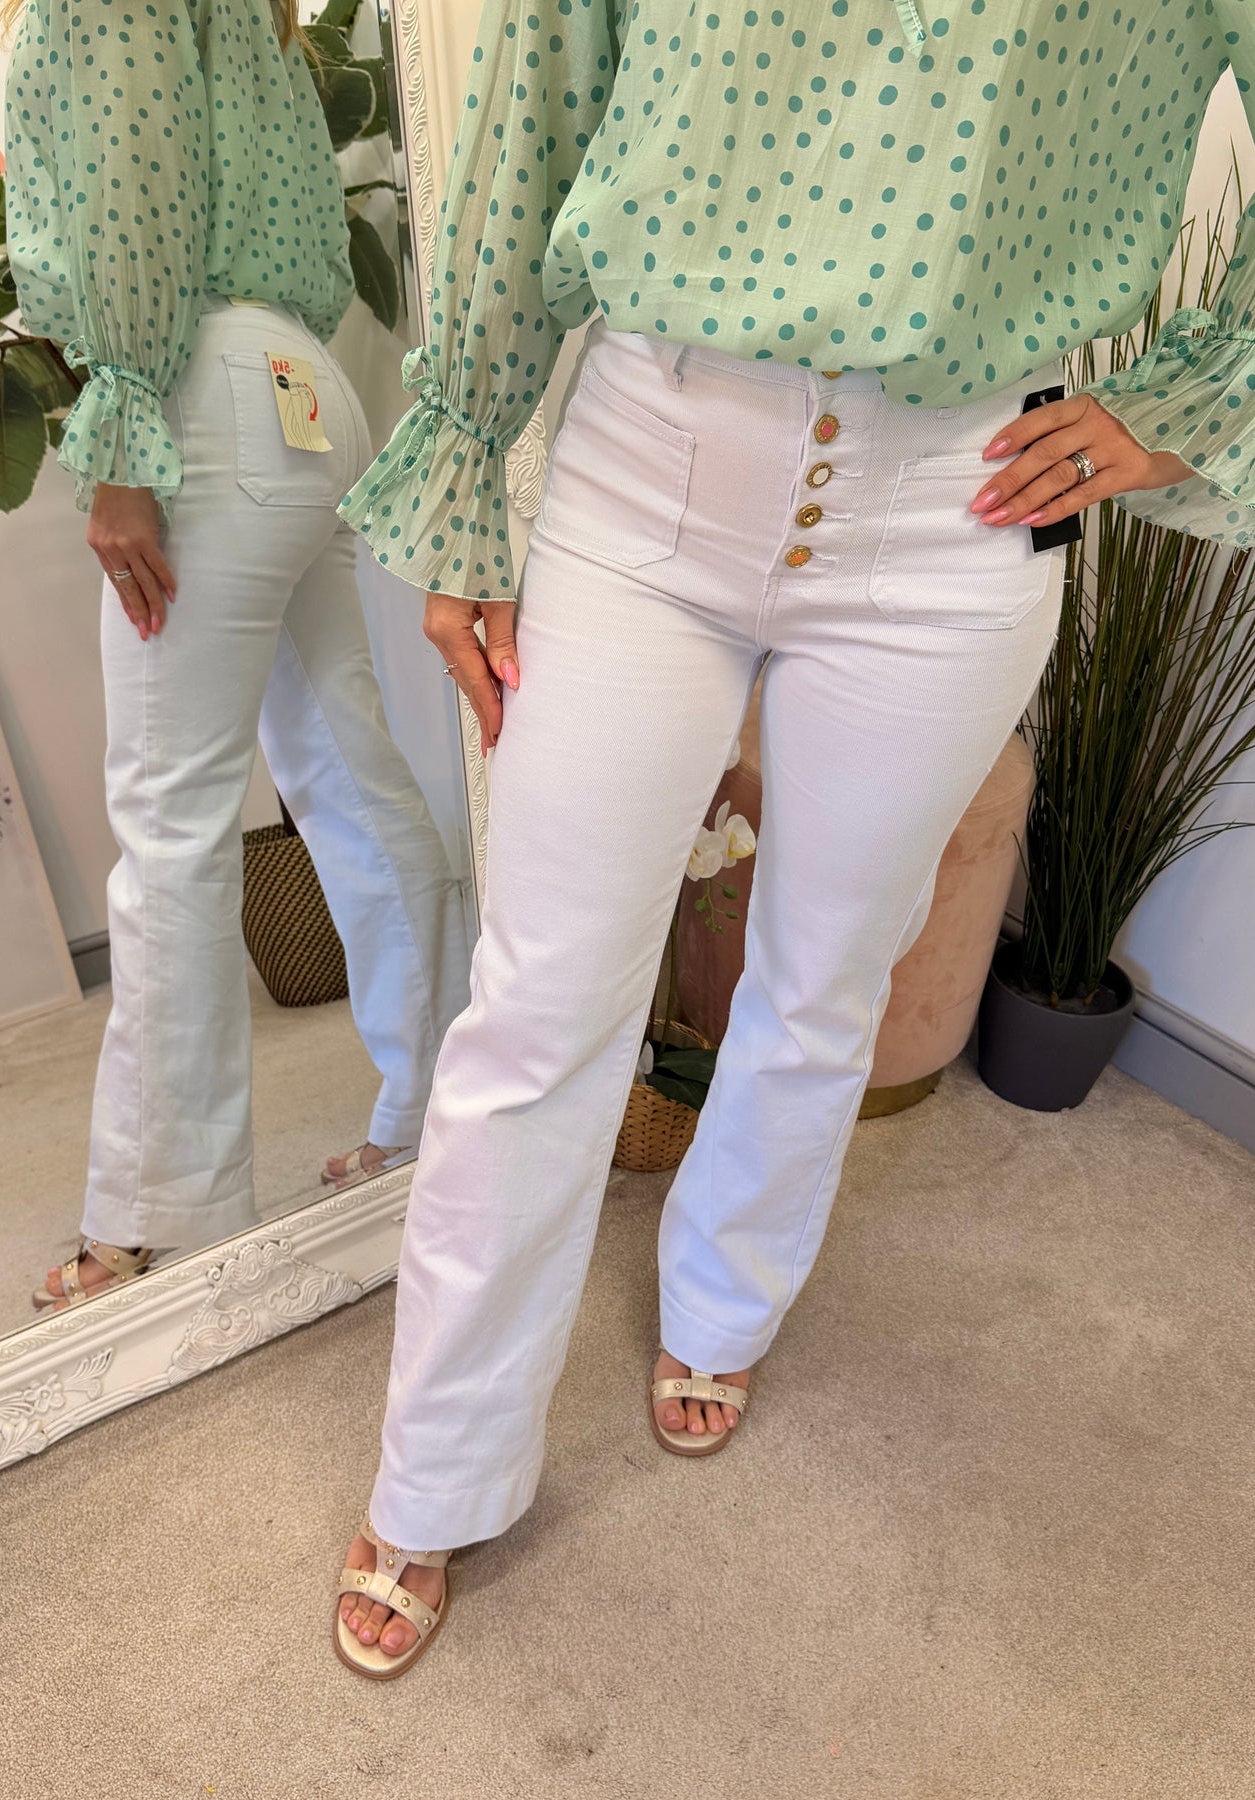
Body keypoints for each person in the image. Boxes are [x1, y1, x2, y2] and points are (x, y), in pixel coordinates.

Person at [325, 0, 1254, 1677]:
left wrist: (1184, 400)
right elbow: (538, 109)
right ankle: (437, 1467)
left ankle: (723, 1299)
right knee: (538, 1004)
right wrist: (463, 460)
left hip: (964, 500)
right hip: (648, 464)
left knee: (827, 966)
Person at [1, 0, 469, 1308]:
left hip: (200, 399)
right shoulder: (259, 19)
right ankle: (441, 1107)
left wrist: (120, 444)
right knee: (347, 765)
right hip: (301, 392)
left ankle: (159, 1216)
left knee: (172, 816)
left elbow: (131, 199)